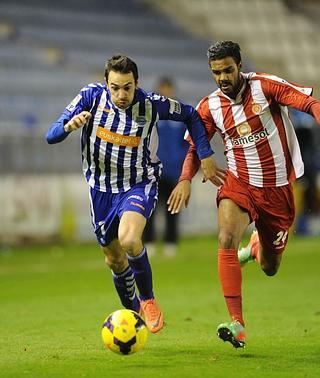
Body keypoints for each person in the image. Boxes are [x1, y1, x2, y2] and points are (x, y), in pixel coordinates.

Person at [46, 54, 220, 334]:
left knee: (129, 239)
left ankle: (148, 299)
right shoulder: (90, 97)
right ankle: (132, 312)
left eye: (127, 87)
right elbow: (50, 134)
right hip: (101, 189)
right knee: (114, 259)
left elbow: (190, 115)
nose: (121, 94)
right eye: (115, 87)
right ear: (106, 83)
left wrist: (205, 153)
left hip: (139, 182)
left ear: (136, 83)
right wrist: (69, 126)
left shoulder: (151, 104)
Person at [167, 41, 320, 347]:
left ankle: (255, 248)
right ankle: (237, 323)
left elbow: (309, 103)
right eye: (216, 72)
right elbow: (196, 147)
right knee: (225, 238)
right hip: (239, 183)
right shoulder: (208, 107)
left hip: (277, 190)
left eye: (227, 69)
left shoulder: (265, 86)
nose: (222, 77)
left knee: (269, 268)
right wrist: (185, 178)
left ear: (239, 65)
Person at [144, 77, 189, 257]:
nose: (166, 92)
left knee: (172, 207)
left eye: (168, 89)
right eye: (163, 89)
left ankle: (171, 243)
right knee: (149, 208)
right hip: (153, 170)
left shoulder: (180, 114)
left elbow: (187, 143)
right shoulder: (150, 112)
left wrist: (183, 162)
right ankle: (149, 242)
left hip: (173, 170)